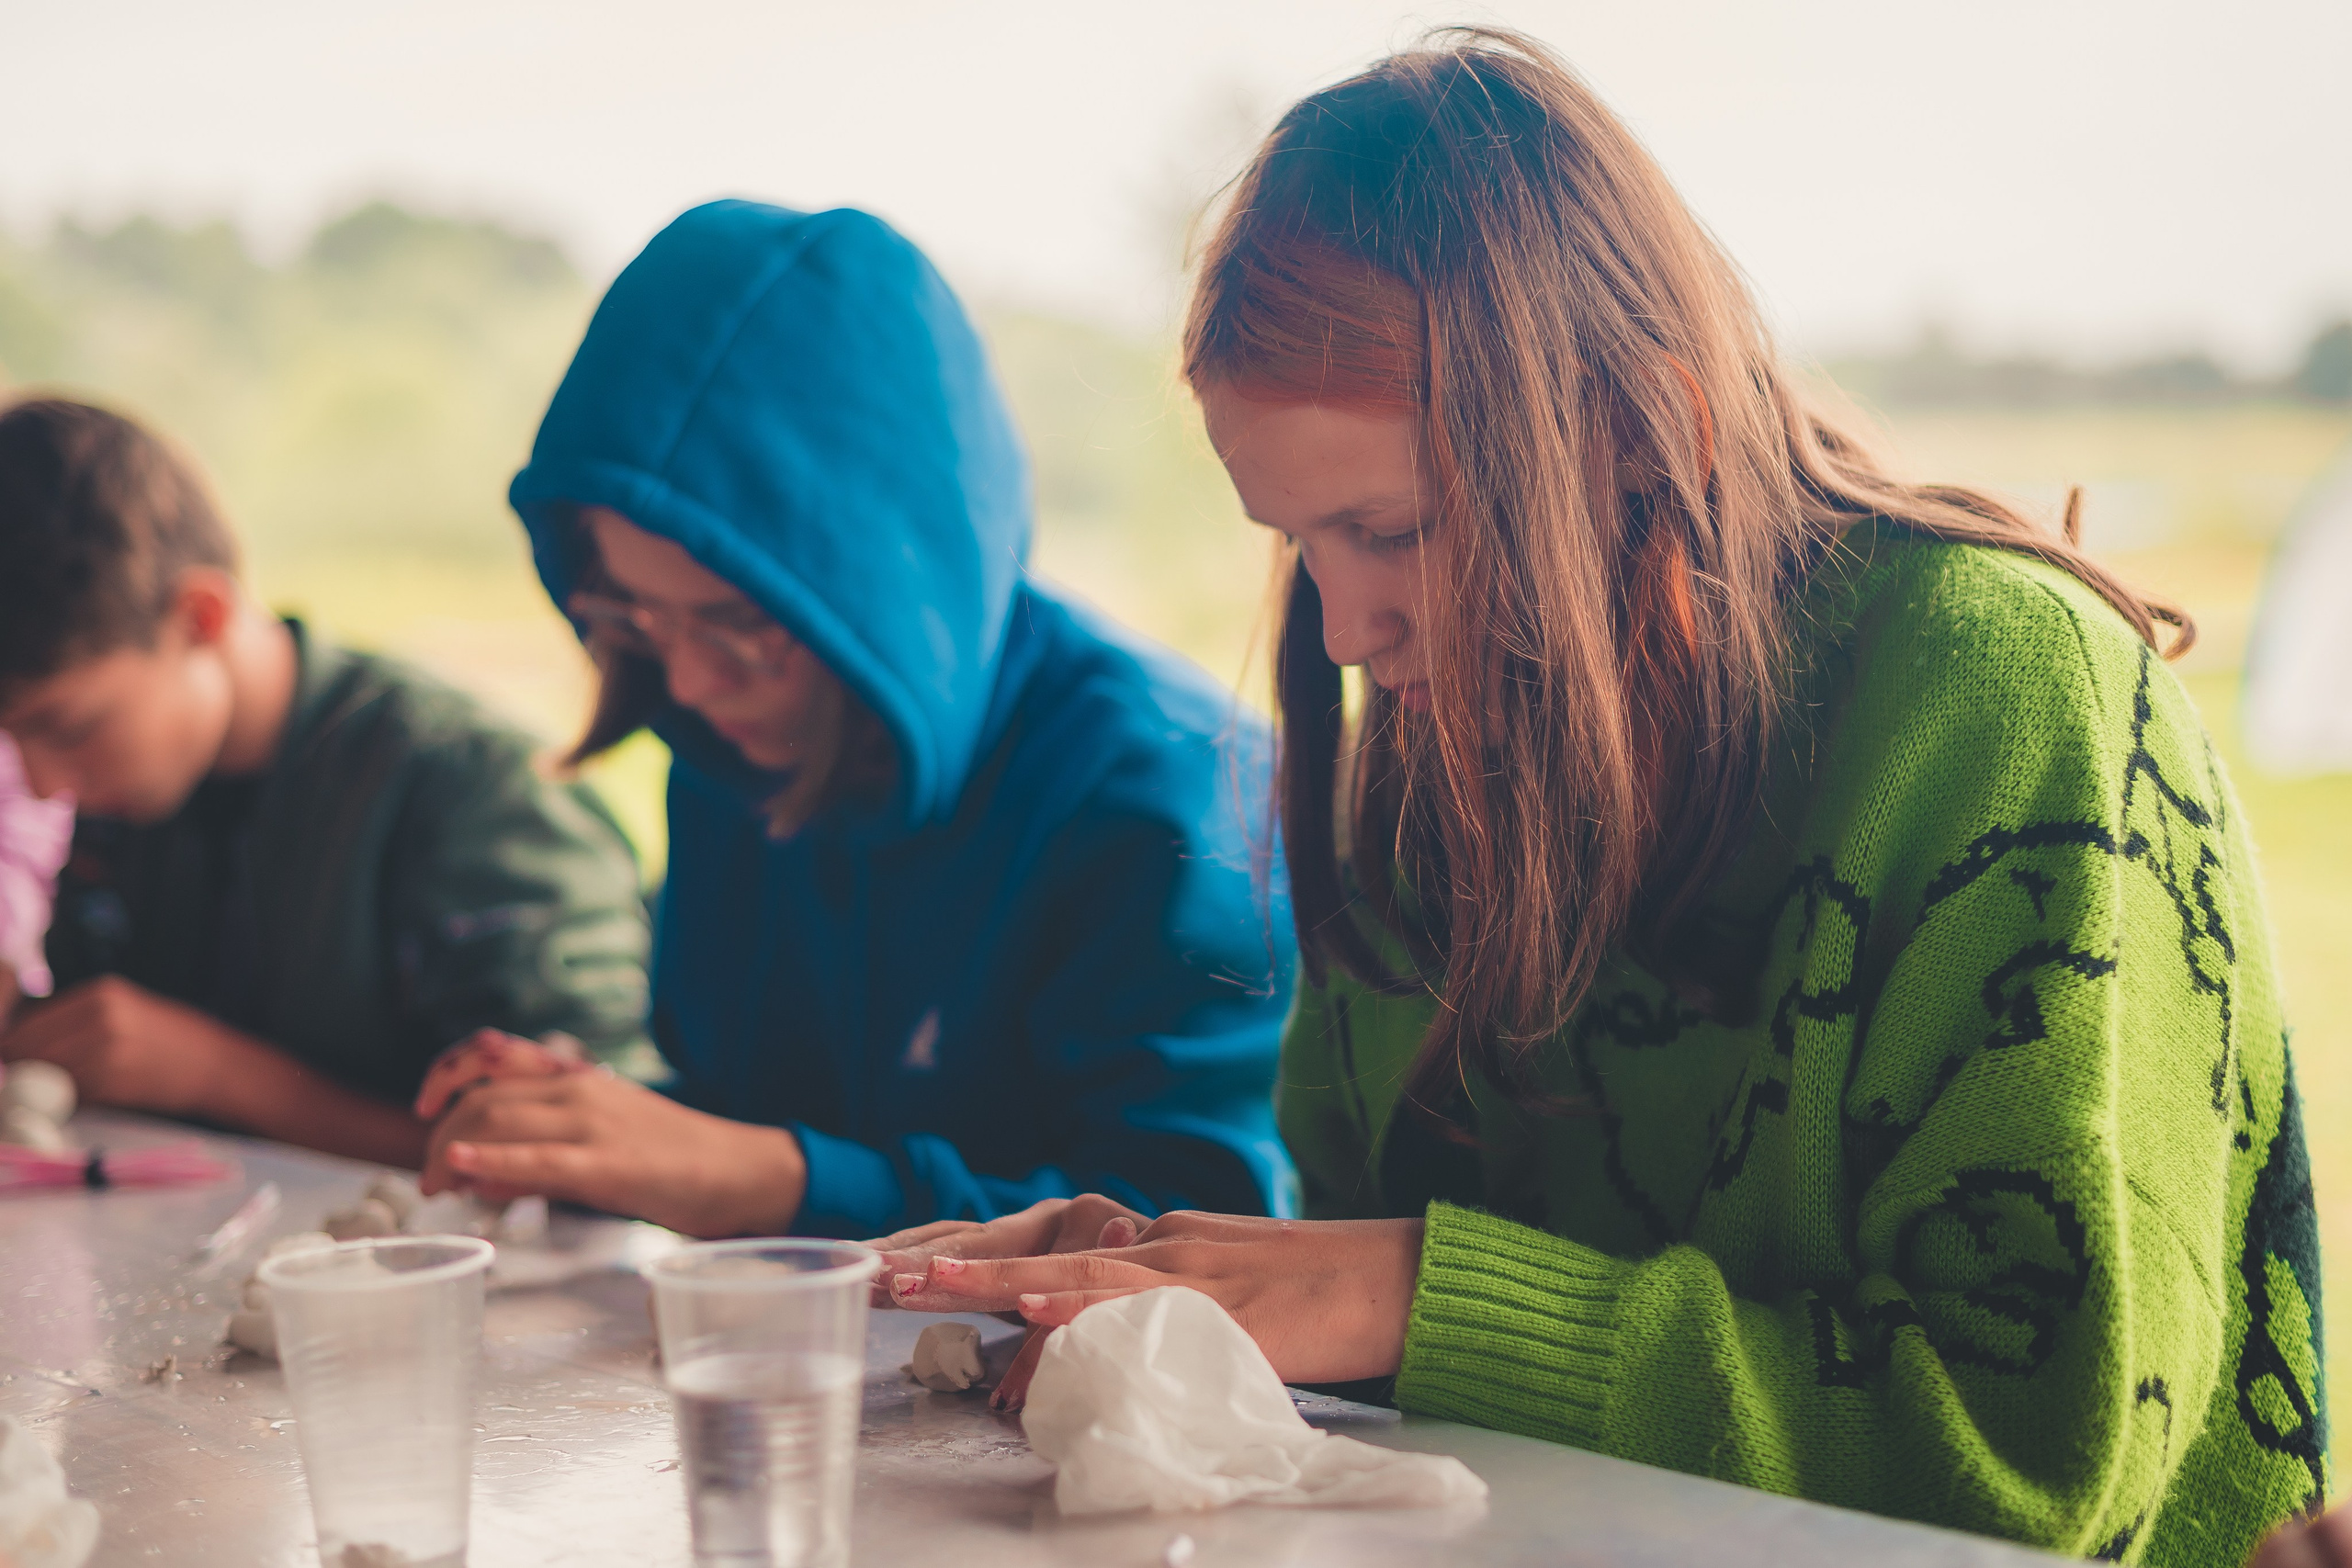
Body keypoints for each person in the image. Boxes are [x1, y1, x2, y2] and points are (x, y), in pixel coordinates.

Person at [876, 30, 2325, 1564]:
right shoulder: (1426, 754)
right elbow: (1432, 1408)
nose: (1346, 629)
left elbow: (2034, 1454)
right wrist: (1176, 1296)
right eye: (1302, 544)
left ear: (1642, 434)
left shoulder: (1997, 691)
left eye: (1396, 530)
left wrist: (1410, 1293)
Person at [411, 201, 1295, 1241]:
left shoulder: (1176, 804)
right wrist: (599, 1125)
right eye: (635, 619)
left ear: (884, 584)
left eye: (739, 623)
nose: (688, 683)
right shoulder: (730, 762)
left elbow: (1201, 1240)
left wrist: (772, 1181)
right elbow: (754, 1121)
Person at [0, 397, 652, 1166]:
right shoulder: (125, 797)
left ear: (200, 616)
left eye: (69, 728)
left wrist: (218, 1075)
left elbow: (595, 1152)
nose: (41, 783)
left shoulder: (477, 792)